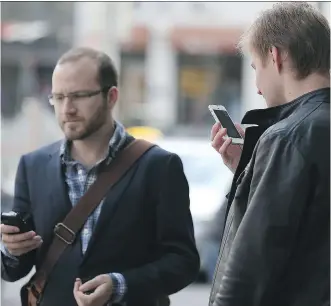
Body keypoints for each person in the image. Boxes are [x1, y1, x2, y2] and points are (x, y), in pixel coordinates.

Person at [0, 47, 200, 306]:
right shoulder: (33, 165)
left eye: (79, 96)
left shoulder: (159, 166)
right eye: (58, 97)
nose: (67, 108)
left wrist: (119, 285)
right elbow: (14, 269)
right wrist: (13, 250)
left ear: (111, 96)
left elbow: (183, 262)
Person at [209, 2, 330, 306]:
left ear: (276, 55)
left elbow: (250, 267)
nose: (257, 86)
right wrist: (250, 172)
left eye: (255, 67)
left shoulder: (287, 138)